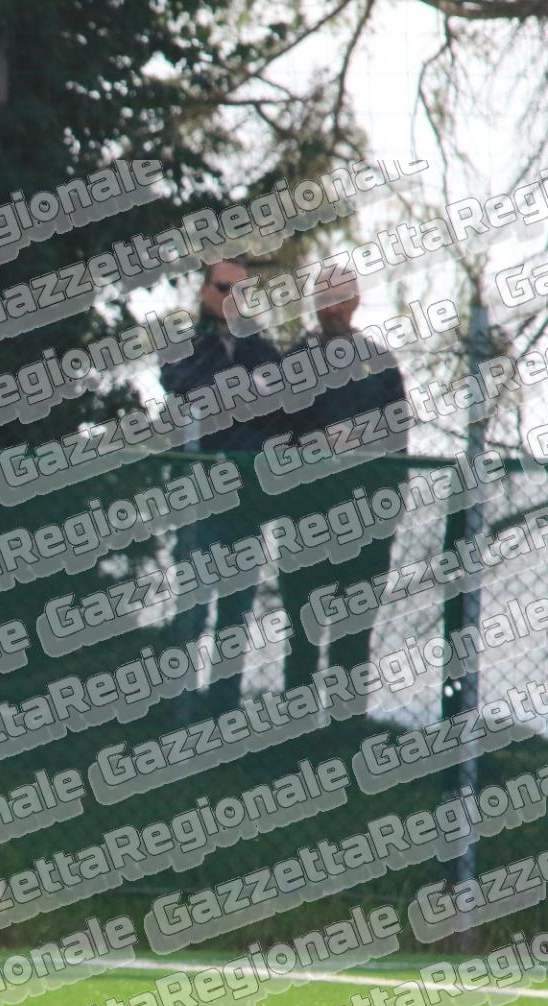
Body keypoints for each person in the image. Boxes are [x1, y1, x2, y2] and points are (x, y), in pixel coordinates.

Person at [275, 262, 409, 710]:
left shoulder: (381, 364)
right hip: (304, 521)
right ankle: (295, 734)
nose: (330, 307)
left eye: (339, 297)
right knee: (302, 636)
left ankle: (346, 734)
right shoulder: (292, 361)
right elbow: (274, 433)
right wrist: (317, 442)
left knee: (353, 640)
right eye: (323, 298)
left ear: (355, 301)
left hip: (365, 526)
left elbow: (398, 447)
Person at [160, 255, 290, 719]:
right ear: (203, 290)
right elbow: (190, 391)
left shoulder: (261, 348)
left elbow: (283, 405)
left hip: (247, 498)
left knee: (236, 611)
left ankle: (222, 713)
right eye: (221, 288)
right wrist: (248, 394)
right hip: (198, 495)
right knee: (192, 606)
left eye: (240, 291)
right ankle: (178, 713)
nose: (230, 298)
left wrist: (236, 399)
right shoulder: (183, 344)